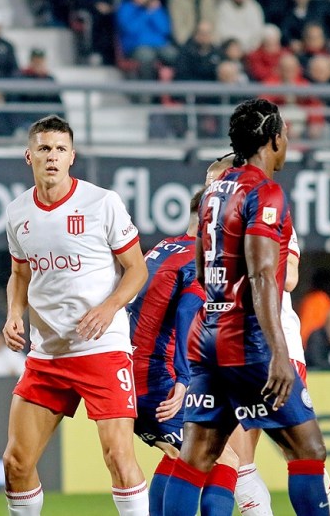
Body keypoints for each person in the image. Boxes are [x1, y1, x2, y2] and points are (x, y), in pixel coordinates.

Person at [163, 98, 329, 516]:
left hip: (208, 335)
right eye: (285, 133)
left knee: (197, 456)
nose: (287, 141)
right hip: (248, 342)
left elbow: (201, 268)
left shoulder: (213, 192)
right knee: (309, 450)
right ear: (273, 139)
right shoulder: (265, 191)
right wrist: (277, 351)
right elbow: (262, 275)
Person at [2, 115, 149, 515]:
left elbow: (137, 269)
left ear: (72, 157)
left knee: (118, 455)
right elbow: (20, 273)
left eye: (60, 149)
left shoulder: (102, 203)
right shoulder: (17, 212)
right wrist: (14, 312)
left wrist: (109, 307)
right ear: (29, 156)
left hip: (102, 347)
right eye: (44, 149)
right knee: (15, 463)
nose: (52, 156)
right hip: (48, 353)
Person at [127, 164, 240, 516]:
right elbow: (189, 313)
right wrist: (183, 380)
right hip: (158, 382)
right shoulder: (199, 259)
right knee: (224, 460)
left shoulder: (164, 247)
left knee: (178, 457)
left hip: (130, 378)